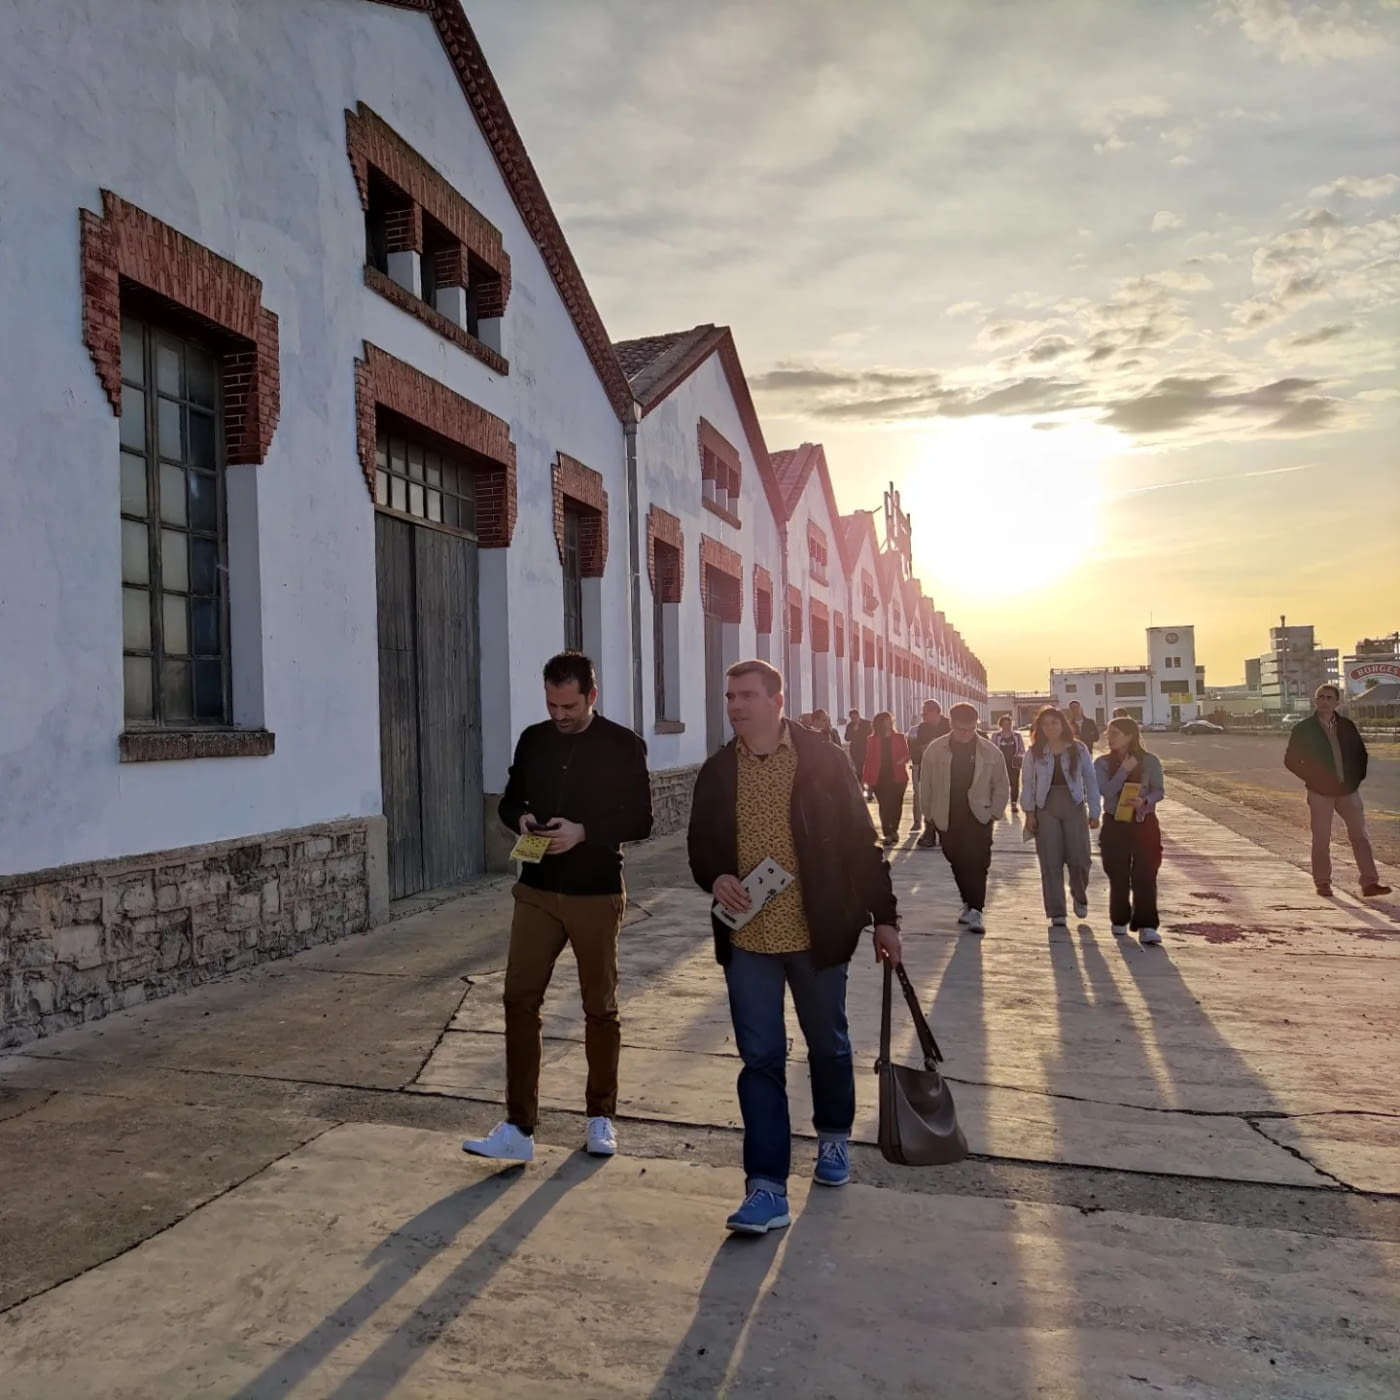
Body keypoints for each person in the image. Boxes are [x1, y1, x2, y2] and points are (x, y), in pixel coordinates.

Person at [687, 660, 902, 1235]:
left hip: (817, 933)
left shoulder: (823, 760)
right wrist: (716, 877)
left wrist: (885, 917)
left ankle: (833, 1137)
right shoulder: (718, 770)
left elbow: (860, 842)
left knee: (827, 1043)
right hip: (748, 938)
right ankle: (766, 1187)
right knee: (760, 1059)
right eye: (730, 696)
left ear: (777, 700)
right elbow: (700, 847)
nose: (735, 705)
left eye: (747, 695)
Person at [463, 652, 653, 1163]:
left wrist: (585, 832)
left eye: (569, 705)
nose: (560, 715)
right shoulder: (534, 739)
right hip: (537, 888)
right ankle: (519, 1127)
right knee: (518, 999)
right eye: (552, 705)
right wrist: (521, 820)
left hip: (595, 891)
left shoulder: (623, 745)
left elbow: (642, 819)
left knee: (599, 1007)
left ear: (592, 696)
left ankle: (600, 1116)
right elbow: (509, 801)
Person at [1284, 684, 1391, 898]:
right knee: (1321, 838)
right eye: (1320, 697)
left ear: (1337, 702)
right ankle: (1322, 882)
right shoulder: (1304, 729)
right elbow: (1291, 760)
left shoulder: (1347, 726)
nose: (1324, 701)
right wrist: (1314, 779)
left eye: (1329, 697)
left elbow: (1361, 755)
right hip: (1320, 793)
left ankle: (1370, 883)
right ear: (1315, 700)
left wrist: (1355, 780)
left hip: (1348, 791)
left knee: (1360, 836)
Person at [919, 702, 1010, 933]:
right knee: (956, 859)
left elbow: (1001, 784)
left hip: (979, 814)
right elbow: (925, 783)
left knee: (979, 862)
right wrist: (928, 813)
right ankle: (968, 902)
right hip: (947, 813)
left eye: (971, 729)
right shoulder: (935, 750)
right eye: (961, 729)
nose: (966, 734)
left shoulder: (990, 751)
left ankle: (977, 910)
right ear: (951, 723)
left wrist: (995, 812)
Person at [1021, 706, 1101, 928]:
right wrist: (1029, 813)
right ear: (1039, 728)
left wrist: (1095, 811)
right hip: (1046, 807)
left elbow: (1090, 780)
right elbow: (1027, 783)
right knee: (1050, 859)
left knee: (1080, 857)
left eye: (1054, 723)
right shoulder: (1034, 752)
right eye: (1045, 724)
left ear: (1062, 724)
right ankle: (1056, 910)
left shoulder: (1078, 749)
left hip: (1074, 804)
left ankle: (1079, 895)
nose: (1050, 728)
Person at [1094, 717, 1166, 945]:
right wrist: (1123, 771)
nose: (1109, 737)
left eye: (1114, 733)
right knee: (1118, 872)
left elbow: (1159, 790)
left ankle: (1146, 925)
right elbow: (1105, 791)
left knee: (1146, 873)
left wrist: (1145, 801)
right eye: (1108, 733)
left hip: (1144, 822)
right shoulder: (1102, 763)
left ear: (1130, 735)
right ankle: (1119, 918)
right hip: (1115, 822)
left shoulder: (1150, 761)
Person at [862, 711, 912, 846]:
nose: (889, 723)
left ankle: (894, 829)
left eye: (890, 720)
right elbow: (869, 760)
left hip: (898, 777)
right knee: (884, 805)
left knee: (896, 805)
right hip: (879, 777)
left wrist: (902, 760)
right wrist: (866, 780)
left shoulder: (900, 737)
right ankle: (887, 833)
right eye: (886, 720)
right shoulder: (872, 740)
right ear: (879, 723)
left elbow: (907, 754)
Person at [907, 700, 952, 846]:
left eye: (925, 713)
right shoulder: (922, 728)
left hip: (947, 769)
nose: (923, 716)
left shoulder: (950, 726)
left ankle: (946, 832)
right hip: (927, 769)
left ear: (935, 712)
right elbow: (917, 749)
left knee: (946, 801)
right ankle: (929, 832)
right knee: (928, 800)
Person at [990, 714, 1026, 812]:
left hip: (1014, 764)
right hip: (1000, 764)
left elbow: (1022, 749)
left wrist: (1018, 756)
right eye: (1004, 724)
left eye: (1008, 724)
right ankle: (999, 803)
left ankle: (1014, 803)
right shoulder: (996, 736)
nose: (1006, 726)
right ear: (1001, 725)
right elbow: (992, 749)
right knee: (1000, 784)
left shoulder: (1017, 736)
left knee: (1014, 783)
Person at [844, 709, 872, 791]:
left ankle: (869, 785)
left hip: (866, 748)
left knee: (868, 768)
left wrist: (859, 731)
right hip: (855, 750)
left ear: (858, 716)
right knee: (858, 768)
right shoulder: (850, 726)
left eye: (855, 717)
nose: (854, 720)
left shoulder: (867, 724)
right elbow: (847, 738)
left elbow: (870, 735)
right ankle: (861, 786)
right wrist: (853, 731)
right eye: (852, 718)